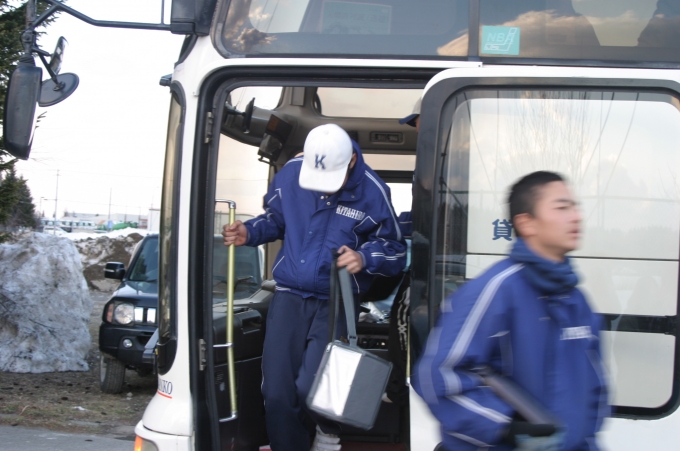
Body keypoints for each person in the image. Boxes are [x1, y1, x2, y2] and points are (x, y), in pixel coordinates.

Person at [222, 123, 406, 451]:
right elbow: (276, 220)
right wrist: (249, 232)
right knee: (276, 393)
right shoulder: (291, 174)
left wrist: (364, 257)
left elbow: (394, 249)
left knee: (314, 387)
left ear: (351, 161)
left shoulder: (373, 191)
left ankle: (328, 429)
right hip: (289, 296)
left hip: (335, 300)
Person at [412, 171, 608, 451]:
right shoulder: (494, 291)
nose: (576, 216)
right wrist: (505, 427)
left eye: (575, 207)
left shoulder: (577, 301)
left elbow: (595, 392)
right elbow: (437, 377)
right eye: (562, 207)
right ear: (526, 223)